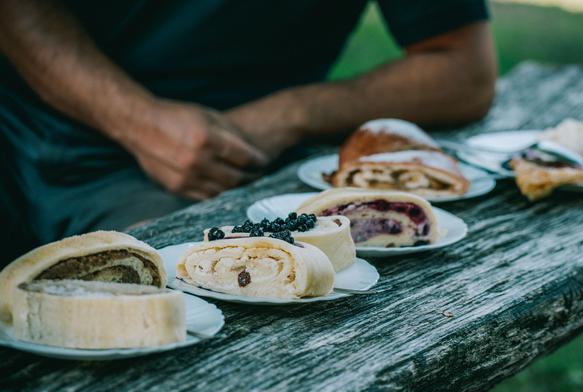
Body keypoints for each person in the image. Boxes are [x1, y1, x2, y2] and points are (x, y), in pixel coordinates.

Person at [0, 0, 497, 265]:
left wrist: (286, 115)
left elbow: (465, 70)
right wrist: (137, 120)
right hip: (29, 117)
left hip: (226, 162)